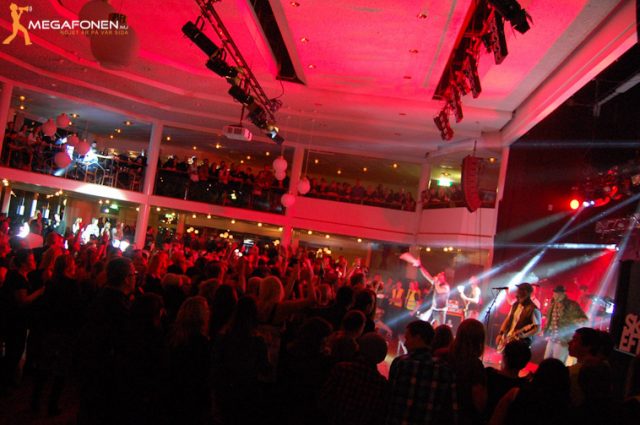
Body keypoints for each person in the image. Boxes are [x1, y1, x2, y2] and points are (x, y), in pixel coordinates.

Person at [386, 320, 458, 425]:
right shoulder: (445, 370)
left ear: (418, 338)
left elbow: (389, 399)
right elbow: (452, 410)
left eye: (407, 338)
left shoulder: (400, 363)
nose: (405, 343)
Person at [319, 333, 389, 425]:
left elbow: (324, 399)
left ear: (359, 347)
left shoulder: (342, 369)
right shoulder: (382, 384)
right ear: (381, 358)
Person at [543, 285, 587, 364]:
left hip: (563, 339)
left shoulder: (571, 305)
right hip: (552, 337)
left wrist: (573, 322)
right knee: (546, 360)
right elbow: (550, 320)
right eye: (554, 293)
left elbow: (583, 319)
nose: (555, 295)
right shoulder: (552, 304)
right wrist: (545, 330)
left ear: (563, 294)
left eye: (557, 293)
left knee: (558, 363)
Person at [496, 283, 540, 351]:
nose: (517, 292)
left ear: (526, 293)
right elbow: (507, 319)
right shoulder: (515, 305)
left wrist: (524, 335)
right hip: (508, 337)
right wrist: (500, 333)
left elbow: (537, 329)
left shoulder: (533, 309)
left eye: (520, 290)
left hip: (521, 343)